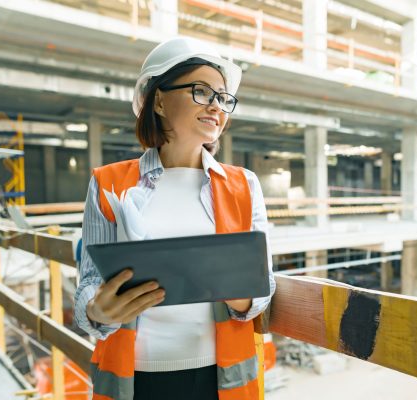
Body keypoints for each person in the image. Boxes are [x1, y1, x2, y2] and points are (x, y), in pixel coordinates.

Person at [74, 37, 276, 400]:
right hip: (135, 381)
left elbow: (263, 291)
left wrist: (243, 294)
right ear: (160, 100)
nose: (217, 106)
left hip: (219, 381)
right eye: (202, 91)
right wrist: (96, 309)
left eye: (223, 97)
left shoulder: (245, 185)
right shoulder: (106, 183)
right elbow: (89, 282)